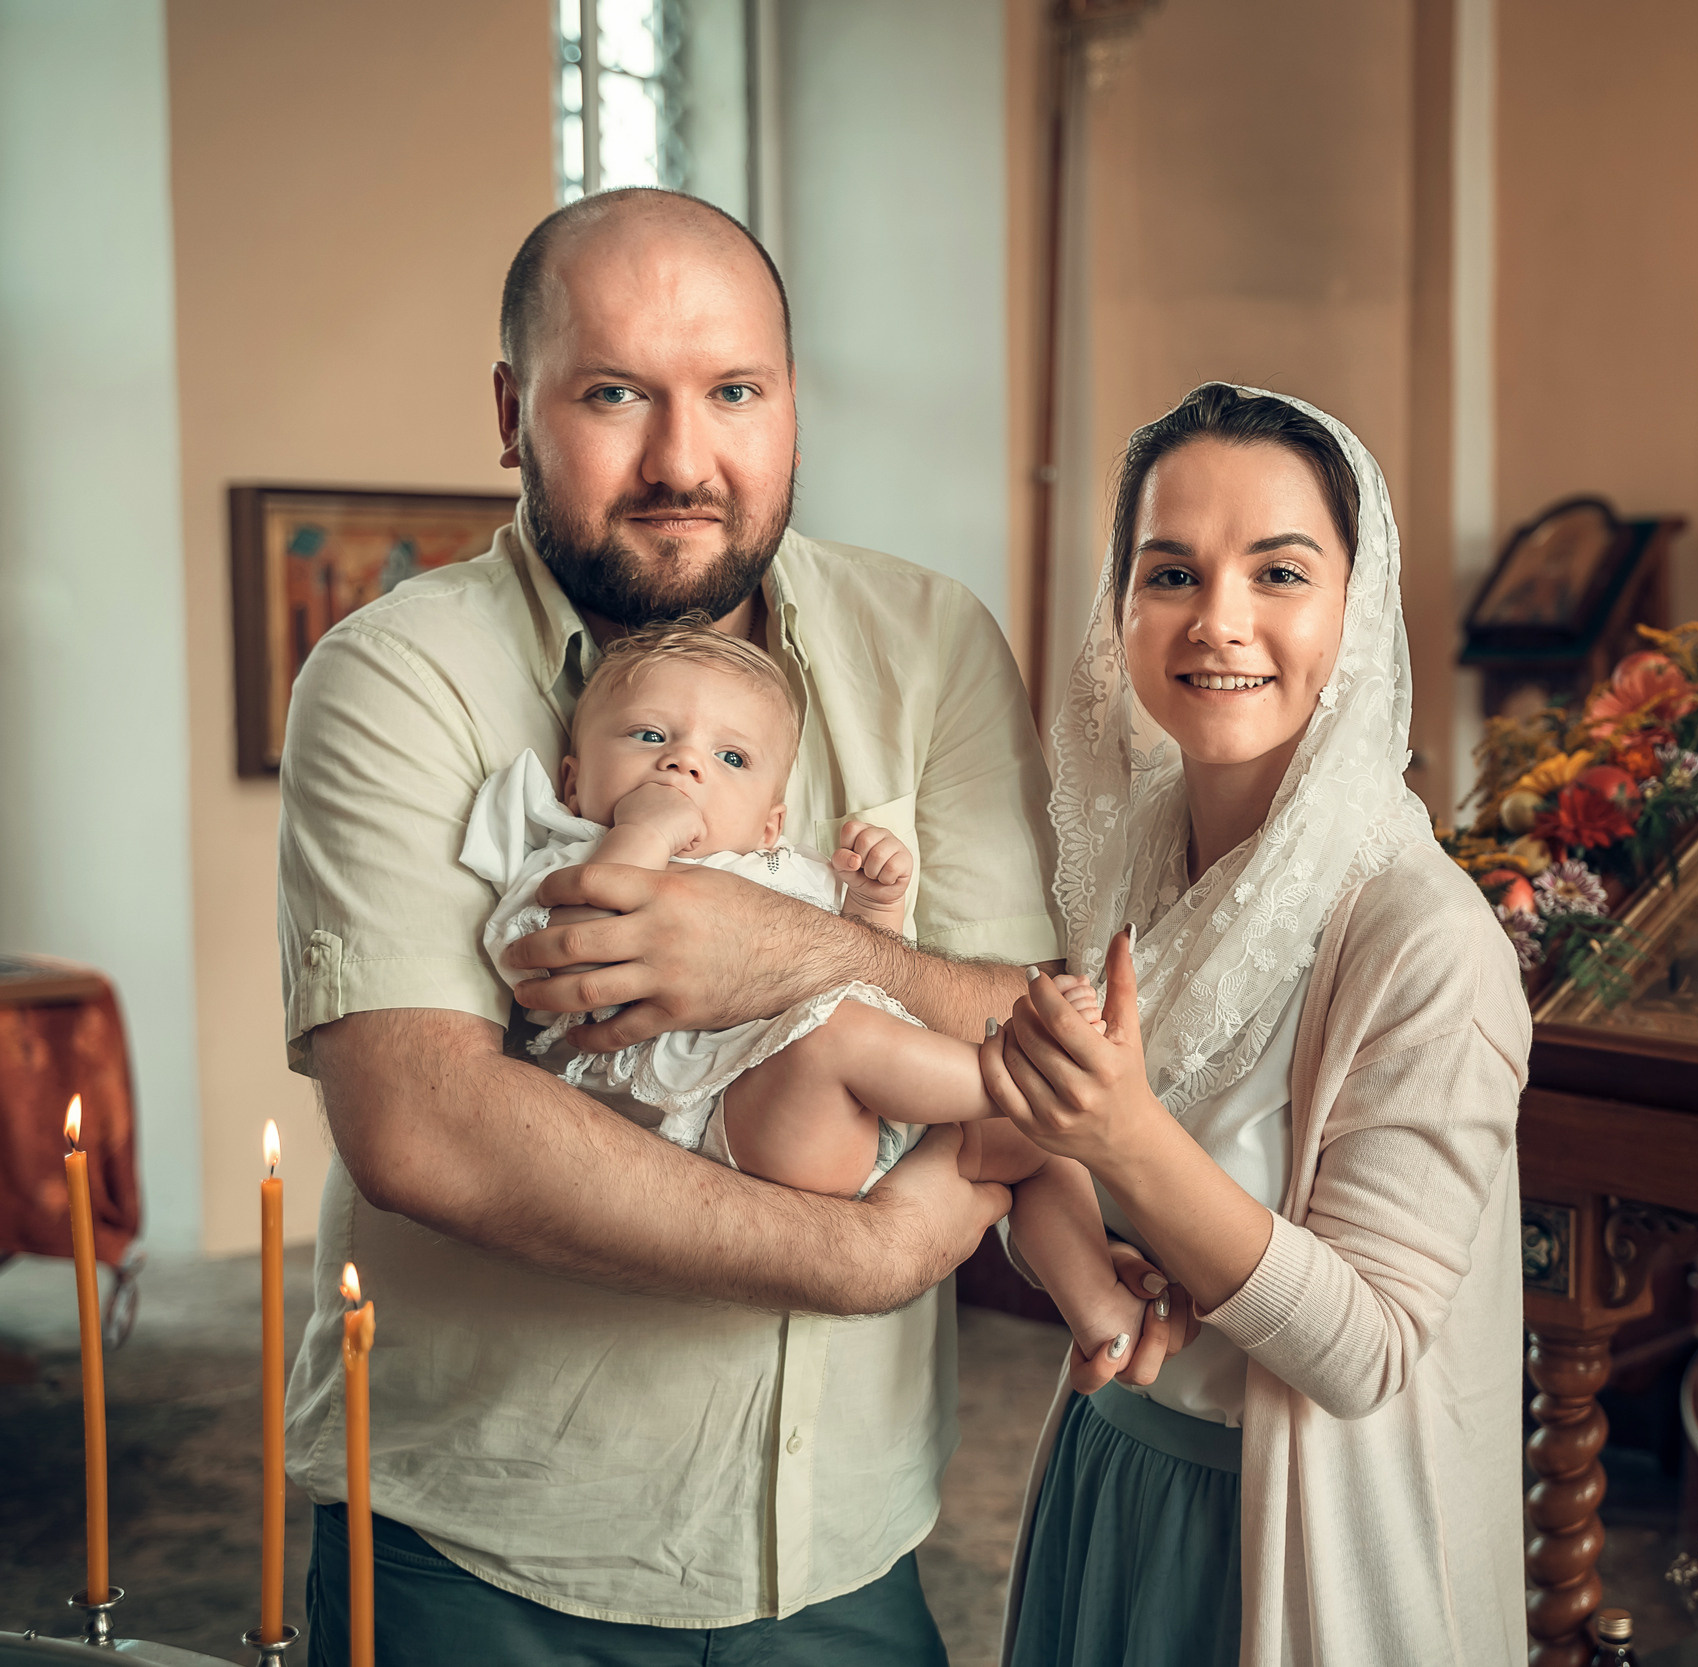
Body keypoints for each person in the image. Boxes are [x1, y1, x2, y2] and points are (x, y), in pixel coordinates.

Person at [275, 188, 1155, 1662]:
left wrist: (814, 952)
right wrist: (881, 1248)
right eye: (615, 393)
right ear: (512, 410)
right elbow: (426, 1123)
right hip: (486, 1553)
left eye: (735, 392)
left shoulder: (928, 640)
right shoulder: (392, 677)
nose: (684, 461)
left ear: (792, 400)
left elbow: (1030, 1020)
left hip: (845, 1551)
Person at [978, 383, 1533, 1666]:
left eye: (1278, 571)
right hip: (1109, 1476)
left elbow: (1366, 1349)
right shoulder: (1123, 865)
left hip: (1284, 1543)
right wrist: (1079, 1264)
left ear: (1359, 604)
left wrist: (1123, 1138)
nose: (1218, 620)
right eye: (1170, 569)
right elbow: (1020, 1152)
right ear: (1119, 602)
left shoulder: (1420, 937)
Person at [458, 615, 1141, 1360]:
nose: (684, 765)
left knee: (1029, 1146)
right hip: (733, 1135)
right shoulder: (554, 860)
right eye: (650, 737)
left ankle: (1099, 1308)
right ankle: (1009, 1072)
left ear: (768, 824)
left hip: (852, 1112)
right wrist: (642, 834)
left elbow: (861, 963)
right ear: (570, 779)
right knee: (839, 1037)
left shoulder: (779, 872)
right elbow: (572, 954)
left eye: (729, 756)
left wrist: (871, 909)